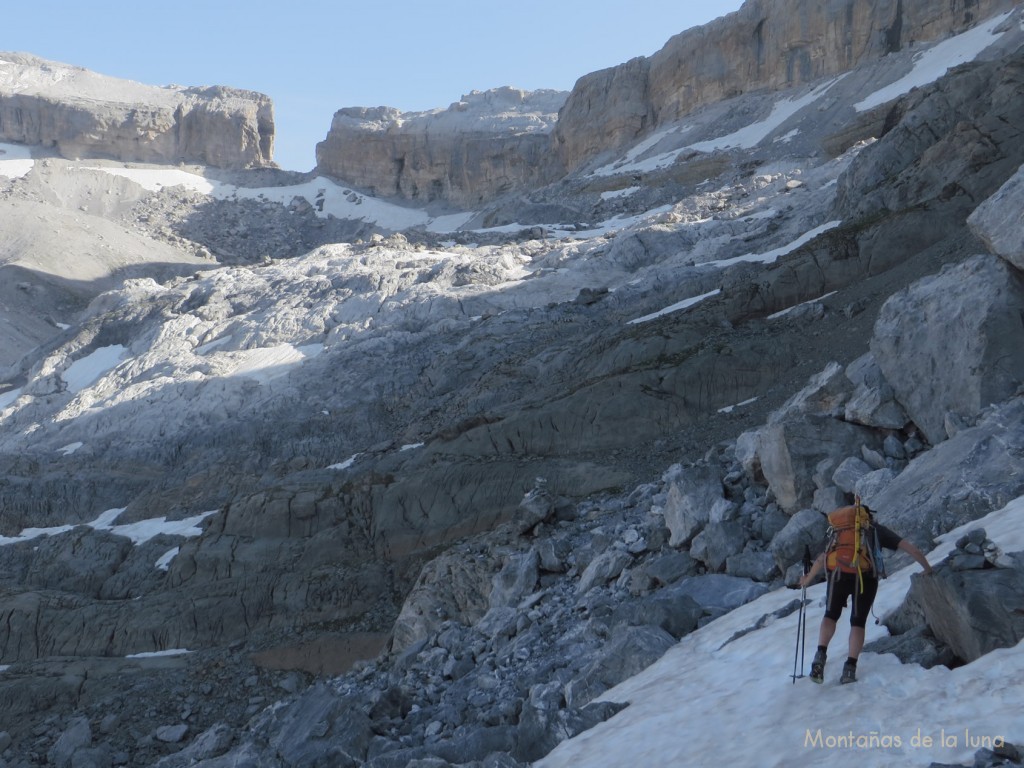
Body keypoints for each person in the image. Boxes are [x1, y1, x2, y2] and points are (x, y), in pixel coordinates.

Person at [798, 500, 933, 684]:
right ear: (868, 517)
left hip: (838, 576)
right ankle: (849, 669)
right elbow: (911, 549)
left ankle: (820, 656)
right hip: (865, 580)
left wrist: (807, 579)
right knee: (858, 622)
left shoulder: (840, 530)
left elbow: (823, 558)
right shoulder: (876, 530)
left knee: (830, 615)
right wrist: (927, 568)